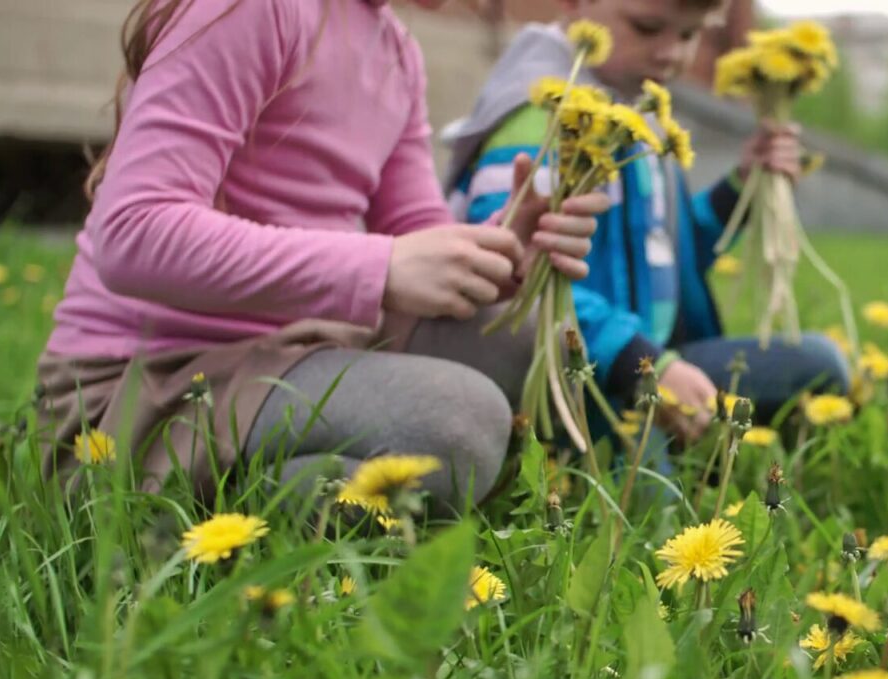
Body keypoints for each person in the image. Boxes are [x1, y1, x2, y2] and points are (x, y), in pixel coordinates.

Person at [38, 0, 609, 512]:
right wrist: (380, 268)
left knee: (530, 340)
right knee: (459, 420)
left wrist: (502, 248)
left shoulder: (396, 51)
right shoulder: (251, 9)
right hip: (145, 390)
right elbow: (133, 232)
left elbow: (416, 237)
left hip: (289, 356)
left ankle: (285, 492)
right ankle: (177, 510)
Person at [441, 0, 850, 442]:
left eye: (689, 34)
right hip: (574, 381)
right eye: (647, 27)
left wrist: (739, 190)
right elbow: (513, 279)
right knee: (655, 476)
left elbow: (663, 254)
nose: (671, 53)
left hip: (643, 361)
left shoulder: (641, 113)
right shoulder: (541, 117)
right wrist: (640, 363)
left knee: (819, 364)